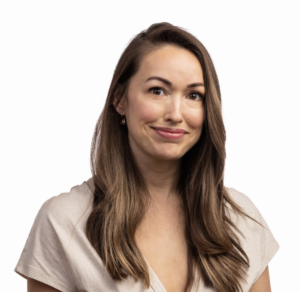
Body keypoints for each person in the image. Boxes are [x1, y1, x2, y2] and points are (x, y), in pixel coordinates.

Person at [14, 22, 279, 292]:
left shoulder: (241, 218)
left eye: (193, 95)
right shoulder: (64, 222)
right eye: (157, 91)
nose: (176, 114)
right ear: (120, 100)